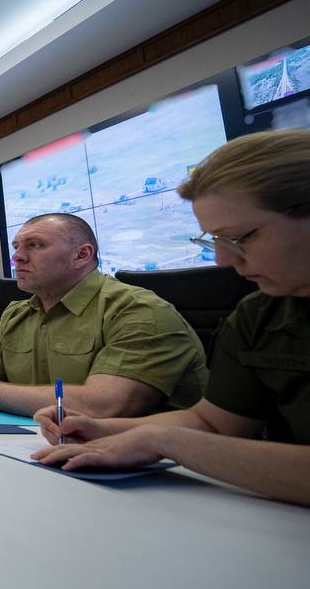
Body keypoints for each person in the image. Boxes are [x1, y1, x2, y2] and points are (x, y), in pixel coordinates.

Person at [32, 130, 310, 506]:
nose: (222, 260)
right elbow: (214, 423)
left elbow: (189, 436)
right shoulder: (260, 315)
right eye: (214, 241)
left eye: (240, 238)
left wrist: (163, 440)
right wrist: (102, 429)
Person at [0, 213, 208, 418]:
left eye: (36, 245)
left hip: (163, 470)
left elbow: (104, 405)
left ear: (82, 255)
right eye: (16, 247)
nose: (17, 257)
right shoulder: (19, 312)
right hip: (49, 445)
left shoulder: (136, 310)